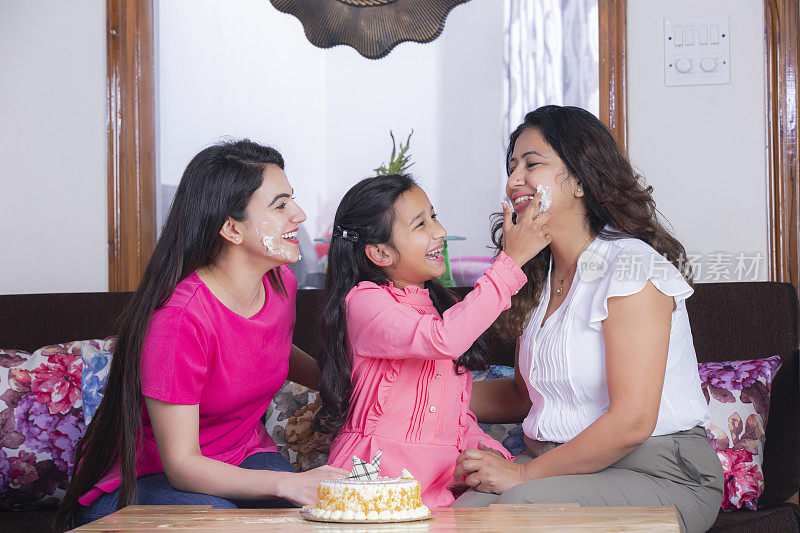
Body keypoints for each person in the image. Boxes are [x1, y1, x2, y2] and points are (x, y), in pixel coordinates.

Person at [452, 106, 724, 533]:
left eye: (532, 163)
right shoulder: (537, 279)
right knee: (457, 515)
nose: (513, 180)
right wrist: (425, 392)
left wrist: (521, 475)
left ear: (579, 178)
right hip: (558, 468)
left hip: (659, 474)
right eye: (511, 167)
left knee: (513, 509)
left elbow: (632, 421)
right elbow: (525, 397)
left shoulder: (630, 265)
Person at [56, 140, 347, 530]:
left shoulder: (280, 282)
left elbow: (266, 344)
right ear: (231, 227)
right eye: (280, 205)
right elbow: (182, 466)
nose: (299, 214)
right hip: (153, 479)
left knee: (303, 518)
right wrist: (289, 482)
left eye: (292, 199)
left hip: (243, 454)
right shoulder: (179, 321)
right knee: (220, 518)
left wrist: (340, 383)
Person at [315, 173, 550, 507]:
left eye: (434, 216)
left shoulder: (445, 307)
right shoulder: (364, 302)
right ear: (381, 253)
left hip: (436, 486)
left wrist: (481, 448)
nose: (439, 231)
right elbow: (443, 340)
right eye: (420, 224)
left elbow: (451, 406)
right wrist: (509, 264)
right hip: (371, 477)